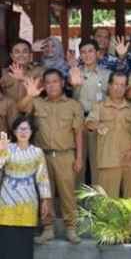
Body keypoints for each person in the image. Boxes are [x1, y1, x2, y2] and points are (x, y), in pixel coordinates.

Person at [18, 69, 84, 244]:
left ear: (62, 83)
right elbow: (21, 108)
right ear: (44, 86)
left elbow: (78, 133)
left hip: (66, 156)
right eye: (47, 82)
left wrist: (79, 158)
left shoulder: (73, 105)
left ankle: (71, 228)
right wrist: (30, 95)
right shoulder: (37, 103)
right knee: (45, 195)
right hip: (42, 157)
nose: (51, 85)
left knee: (68, 194)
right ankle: (48, 229)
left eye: (55, 81)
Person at [0, 118, 51, 259]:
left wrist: (45, 199)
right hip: (8, 196)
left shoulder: (37, 152)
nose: (23, 132)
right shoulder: (8, 148)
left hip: (29, 197)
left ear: (31, 132)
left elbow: (42, 177)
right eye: (20, 129)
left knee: (25, 234)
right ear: (14, 132)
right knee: (9, 233)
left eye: (26, 129)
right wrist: (1, 150)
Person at [84, 71, 131, 198]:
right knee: (107, 202)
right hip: (108, 161)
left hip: (130, 162)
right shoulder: (99, 106)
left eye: (122, 85)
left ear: (126, 88)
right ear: (109, 85)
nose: (118, 88)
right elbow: (88, 123)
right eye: (115, 84)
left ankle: (130, 220)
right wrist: (98, 125)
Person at [69, 39, 111, 185]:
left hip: (99, 122)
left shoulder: (106, 74)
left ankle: (97, 202)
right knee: (78, 162)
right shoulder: (75, 72)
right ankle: (79, 203)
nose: (87, 55)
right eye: (83, 52)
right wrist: (76, 85)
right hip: (79, 121)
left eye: (90, 51)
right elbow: (72, 100)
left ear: (98, 53)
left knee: (97, 163)